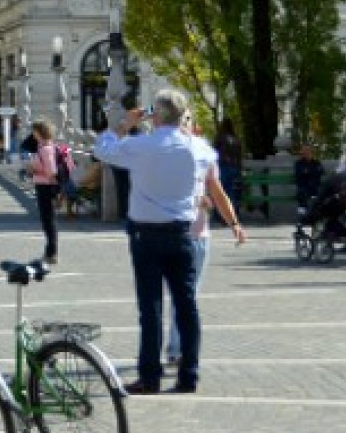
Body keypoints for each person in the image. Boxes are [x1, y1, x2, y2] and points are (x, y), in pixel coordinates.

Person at [94, 89, 238, 395]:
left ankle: (150, 376)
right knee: (187, 307)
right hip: (182, 233)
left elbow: (103, 150)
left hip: (146, 234)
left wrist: (123, 125)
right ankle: (189, 374)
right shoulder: (198, 147)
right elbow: (210, 168)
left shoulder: (143, 145)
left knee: (151, 308)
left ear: (155, 115)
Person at [164, 113, 246, 367]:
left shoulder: (204, 155)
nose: (185, 125)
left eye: (188, 120)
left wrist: (234, 223)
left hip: (199, 235)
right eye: (181, 120)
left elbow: (217, 190)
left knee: (189, 294)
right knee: (183, 294)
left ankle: (177, 348)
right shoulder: (163, 154)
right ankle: (177, 349)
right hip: (171, 233)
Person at [28, 120, 74, 263]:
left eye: (34, 131)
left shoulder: (45, 149)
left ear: (39, 132)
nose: (33, 134)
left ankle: (52, 253)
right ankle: (50, 251)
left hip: (46, 187)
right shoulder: (47, 146)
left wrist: (34, 169)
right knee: (48, 220)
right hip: (47, 186)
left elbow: (51, 171)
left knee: (48, 220)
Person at [292, 144, 324, 213]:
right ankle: (303, 209)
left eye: (309, 151)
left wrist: (308, 172)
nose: (307, 153)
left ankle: (307, 210)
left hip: (314, 186)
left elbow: (321, 171)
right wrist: (312, 171)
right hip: (303, 186)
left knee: (314, 181)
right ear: (302, 153)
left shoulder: (316, 162)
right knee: (302, 191)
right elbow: (299, 174)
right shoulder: (299, 163)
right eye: (305, 151)